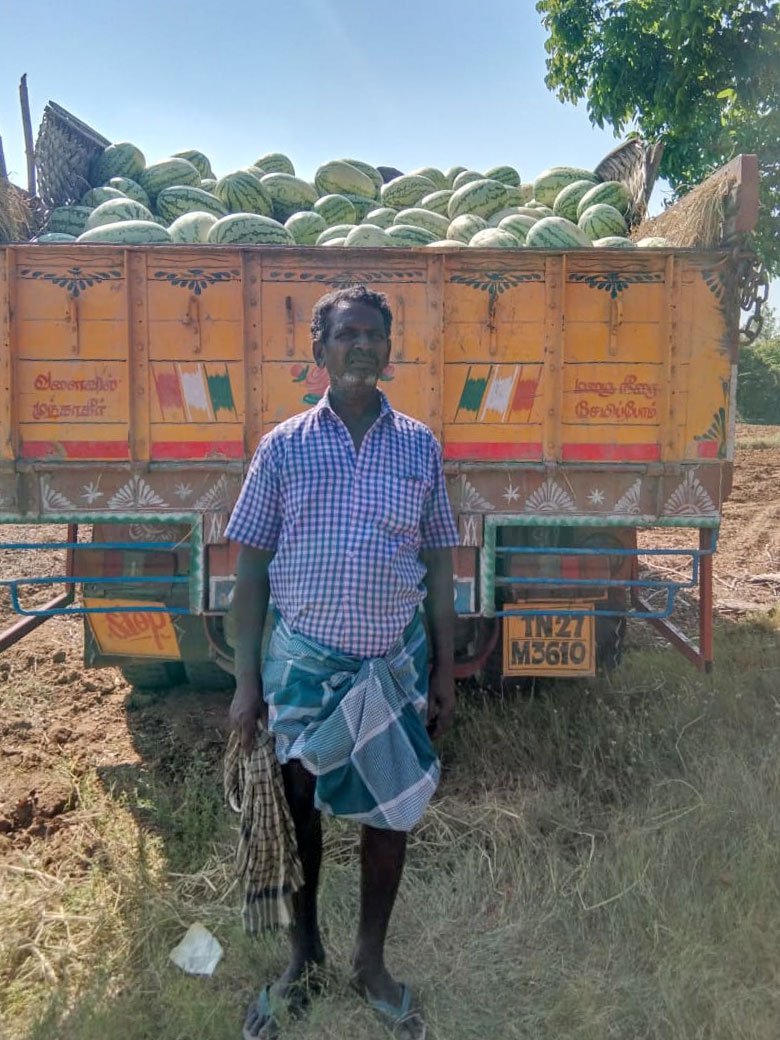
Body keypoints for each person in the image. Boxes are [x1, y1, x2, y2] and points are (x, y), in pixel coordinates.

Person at [226, 284, 459, 1040]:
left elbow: (440, 568)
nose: (362, 346)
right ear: (319, 351)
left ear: (389, 351)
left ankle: (370, 964)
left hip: (392, 667)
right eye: (347, 334)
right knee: (300, 819)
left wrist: (447, 670)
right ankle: (304, 958)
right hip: (302, 669)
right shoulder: (284, 447)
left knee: (389, 815)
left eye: (374, 336)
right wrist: (245, 684)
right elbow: (251, 573)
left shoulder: (419, 445)